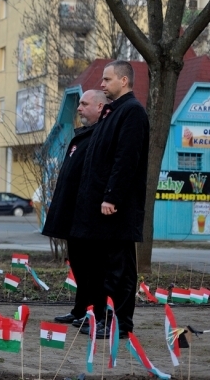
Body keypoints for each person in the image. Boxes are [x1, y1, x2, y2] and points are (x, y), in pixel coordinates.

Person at [72, 61, 149, 339]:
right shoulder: (112, 112)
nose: (102, 85)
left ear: (124, 81)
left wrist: (112, 196)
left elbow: (126, 159)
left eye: (107, 79)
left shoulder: (132, 112)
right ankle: (105, 319)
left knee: (120, 268)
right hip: (102, 208)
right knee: (105, 268)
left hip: (119, 208)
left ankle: (121, 324)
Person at [42, 90, 105, 327]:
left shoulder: (102, 135)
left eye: (84, 104)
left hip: (88, 215)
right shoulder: (83, 135)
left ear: (100, 107)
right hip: (72, 214)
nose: (78, 108)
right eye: (79, 103)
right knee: (78, 264)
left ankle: (97, 314)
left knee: (93, 267)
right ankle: (81, 309)